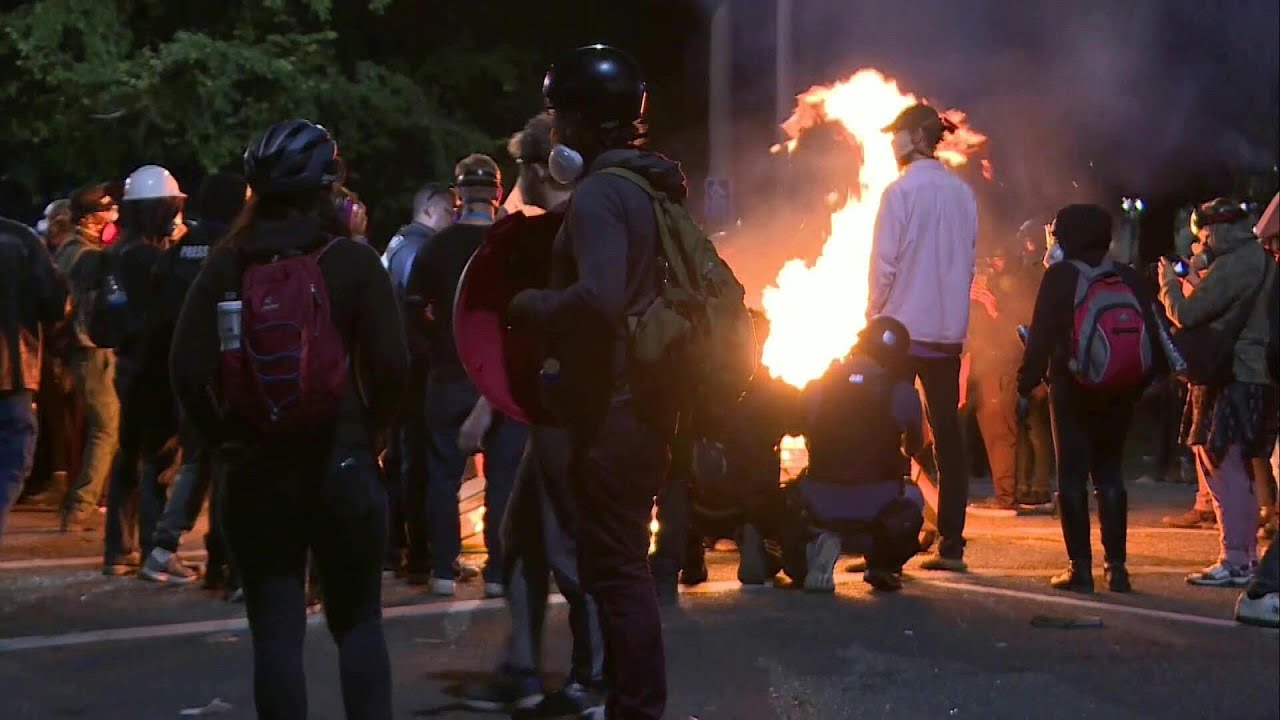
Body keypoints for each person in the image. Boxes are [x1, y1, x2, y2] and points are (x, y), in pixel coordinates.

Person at [170, 119, 408, 719]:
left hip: (256, 471)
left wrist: (224, 439)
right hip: (343, 462)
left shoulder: (227, 264)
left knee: (276, 635)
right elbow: (395, 368)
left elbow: (185, 367)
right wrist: (374, 433)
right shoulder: (353, 261)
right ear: (330, 187)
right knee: (358, 625)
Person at [506, 43, 680, 720]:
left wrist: (535, 307)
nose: (554, 128)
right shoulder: (645, 185)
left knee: (616, 571)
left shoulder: (605, 192)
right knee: (620, 566)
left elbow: (604, 296)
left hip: (615, 408)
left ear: (582, 119)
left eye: (559, 114)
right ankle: (631, 701)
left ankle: (635, 707)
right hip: (638, 402)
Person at [459, 112, 605, 717]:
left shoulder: (584, 232)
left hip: (571, 414)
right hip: (545, 410)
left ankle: (593, 681)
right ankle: (521, 668)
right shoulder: (551, 232)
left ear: (555, 166)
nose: (518, 181)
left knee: (572, 549)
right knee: (522, 540)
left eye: (524, 166)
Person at [1018, 204, 1161, 593]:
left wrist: (1025, 382)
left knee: (1071, 476)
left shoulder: (1060, 277)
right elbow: (1152, 333)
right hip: (1120, 390)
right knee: (1110, 473)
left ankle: (1079, 568)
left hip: (1071, 387)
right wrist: (1137, 385)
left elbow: (1041, 337)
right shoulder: (1128, 276)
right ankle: (1117, 569)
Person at [405, 154, 526, 597]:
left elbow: (413, 306)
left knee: (441, 475)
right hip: (500, 381)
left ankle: (441, 569)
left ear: (458, 194)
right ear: (497, 192)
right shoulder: (514, 245)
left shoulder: (436, 246)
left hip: (447, 376)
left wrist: (440, 339)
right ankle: (498, 573)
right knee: (504, 477)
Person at [868, 103, 978, 572]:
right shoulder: (962, 194)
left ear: (915, 137)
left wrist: (873, 317)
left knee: (884, 431)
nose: (892, 142)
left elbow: (883, 266)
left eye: (897, 134)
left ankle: (886, 542)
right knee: (948, 437)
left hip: (900, 332)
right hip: (947, 334)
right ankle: (951, 542)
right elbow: (968, 260)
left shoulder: (899, 192)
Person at [1160, 198, 1277, 587]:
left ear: (1213, 229)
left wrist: (1169, 285)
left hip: (1232, 377)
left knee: (1222, 467)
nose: (1201, 242)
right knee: (1239, 468)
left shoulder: (1236, 264)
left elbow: (1188, 315)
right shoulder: (1257, 258)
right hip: (1254, 375)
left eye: (1203, 234)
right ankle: (1244, 556)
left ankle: (1235, 558)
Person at [140, 173, 247, 586]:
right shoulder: (234, 251)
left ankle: (185, 553)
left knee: (200, 460)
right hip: (223, 372)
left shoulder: (180, 248)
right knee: (217, 462)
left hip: (181, 368)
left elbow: (157, 306)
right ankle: (183, 551)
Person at [780, 315, 926, 593]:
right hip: (878, 507)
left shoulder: (818, 387)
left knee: (787, 497)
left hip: (820, 503)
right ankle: (881, 563)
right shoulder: (902, 393)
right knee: (913, 497)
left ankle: (814, 548)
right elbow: (914, 447)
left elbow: (795, 428)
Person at [101, 164, 188, 576]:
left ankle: (118, 549)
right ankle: (156, 549)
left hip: (127, 362)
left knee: (129, 453)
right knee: (158, 457)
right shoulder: (151, 259)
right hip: (153, 365)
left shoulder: (116, 253)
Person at [381, 181, 454, 581]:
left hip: (397, 363)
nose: (453, 219)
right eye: (449, 211)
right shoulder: (417, 248)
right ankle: (414, 553)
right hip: (413, 365)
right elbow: (417, 301)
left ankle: (395, 550)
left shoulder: (397, 243)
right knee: (415, 459)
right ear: (429, 210)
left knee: (400, 458)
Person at [54, 183, 121, 533]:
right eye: (107, 210)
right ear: (90, 217)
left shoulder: (76, 248)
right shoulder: (81, 254)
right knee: (106, 428)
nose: (113, 216)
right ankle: (82, 506)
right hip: (90, 349)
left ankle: (86, 502)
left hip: (89, 348)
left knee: (106, 427)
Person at [967, 235, 1046, 515]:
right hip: (983, 366)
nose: (992, 265)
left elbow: (1022, 332)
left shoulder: (1021, 287)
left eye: (997, 259)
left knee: (1002, 432)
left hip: (1003, 367)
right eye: (988, 261)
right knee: (993, 431)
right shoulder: (991, 286)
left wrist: (992, 308)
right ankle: (1006, 490)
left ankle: (1005, 495)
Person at [1, 215, 67, 542]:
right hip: (11, 370)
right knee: (13, 456)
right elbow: (54, 301)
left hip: (12, 369)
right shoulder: (21, 240)